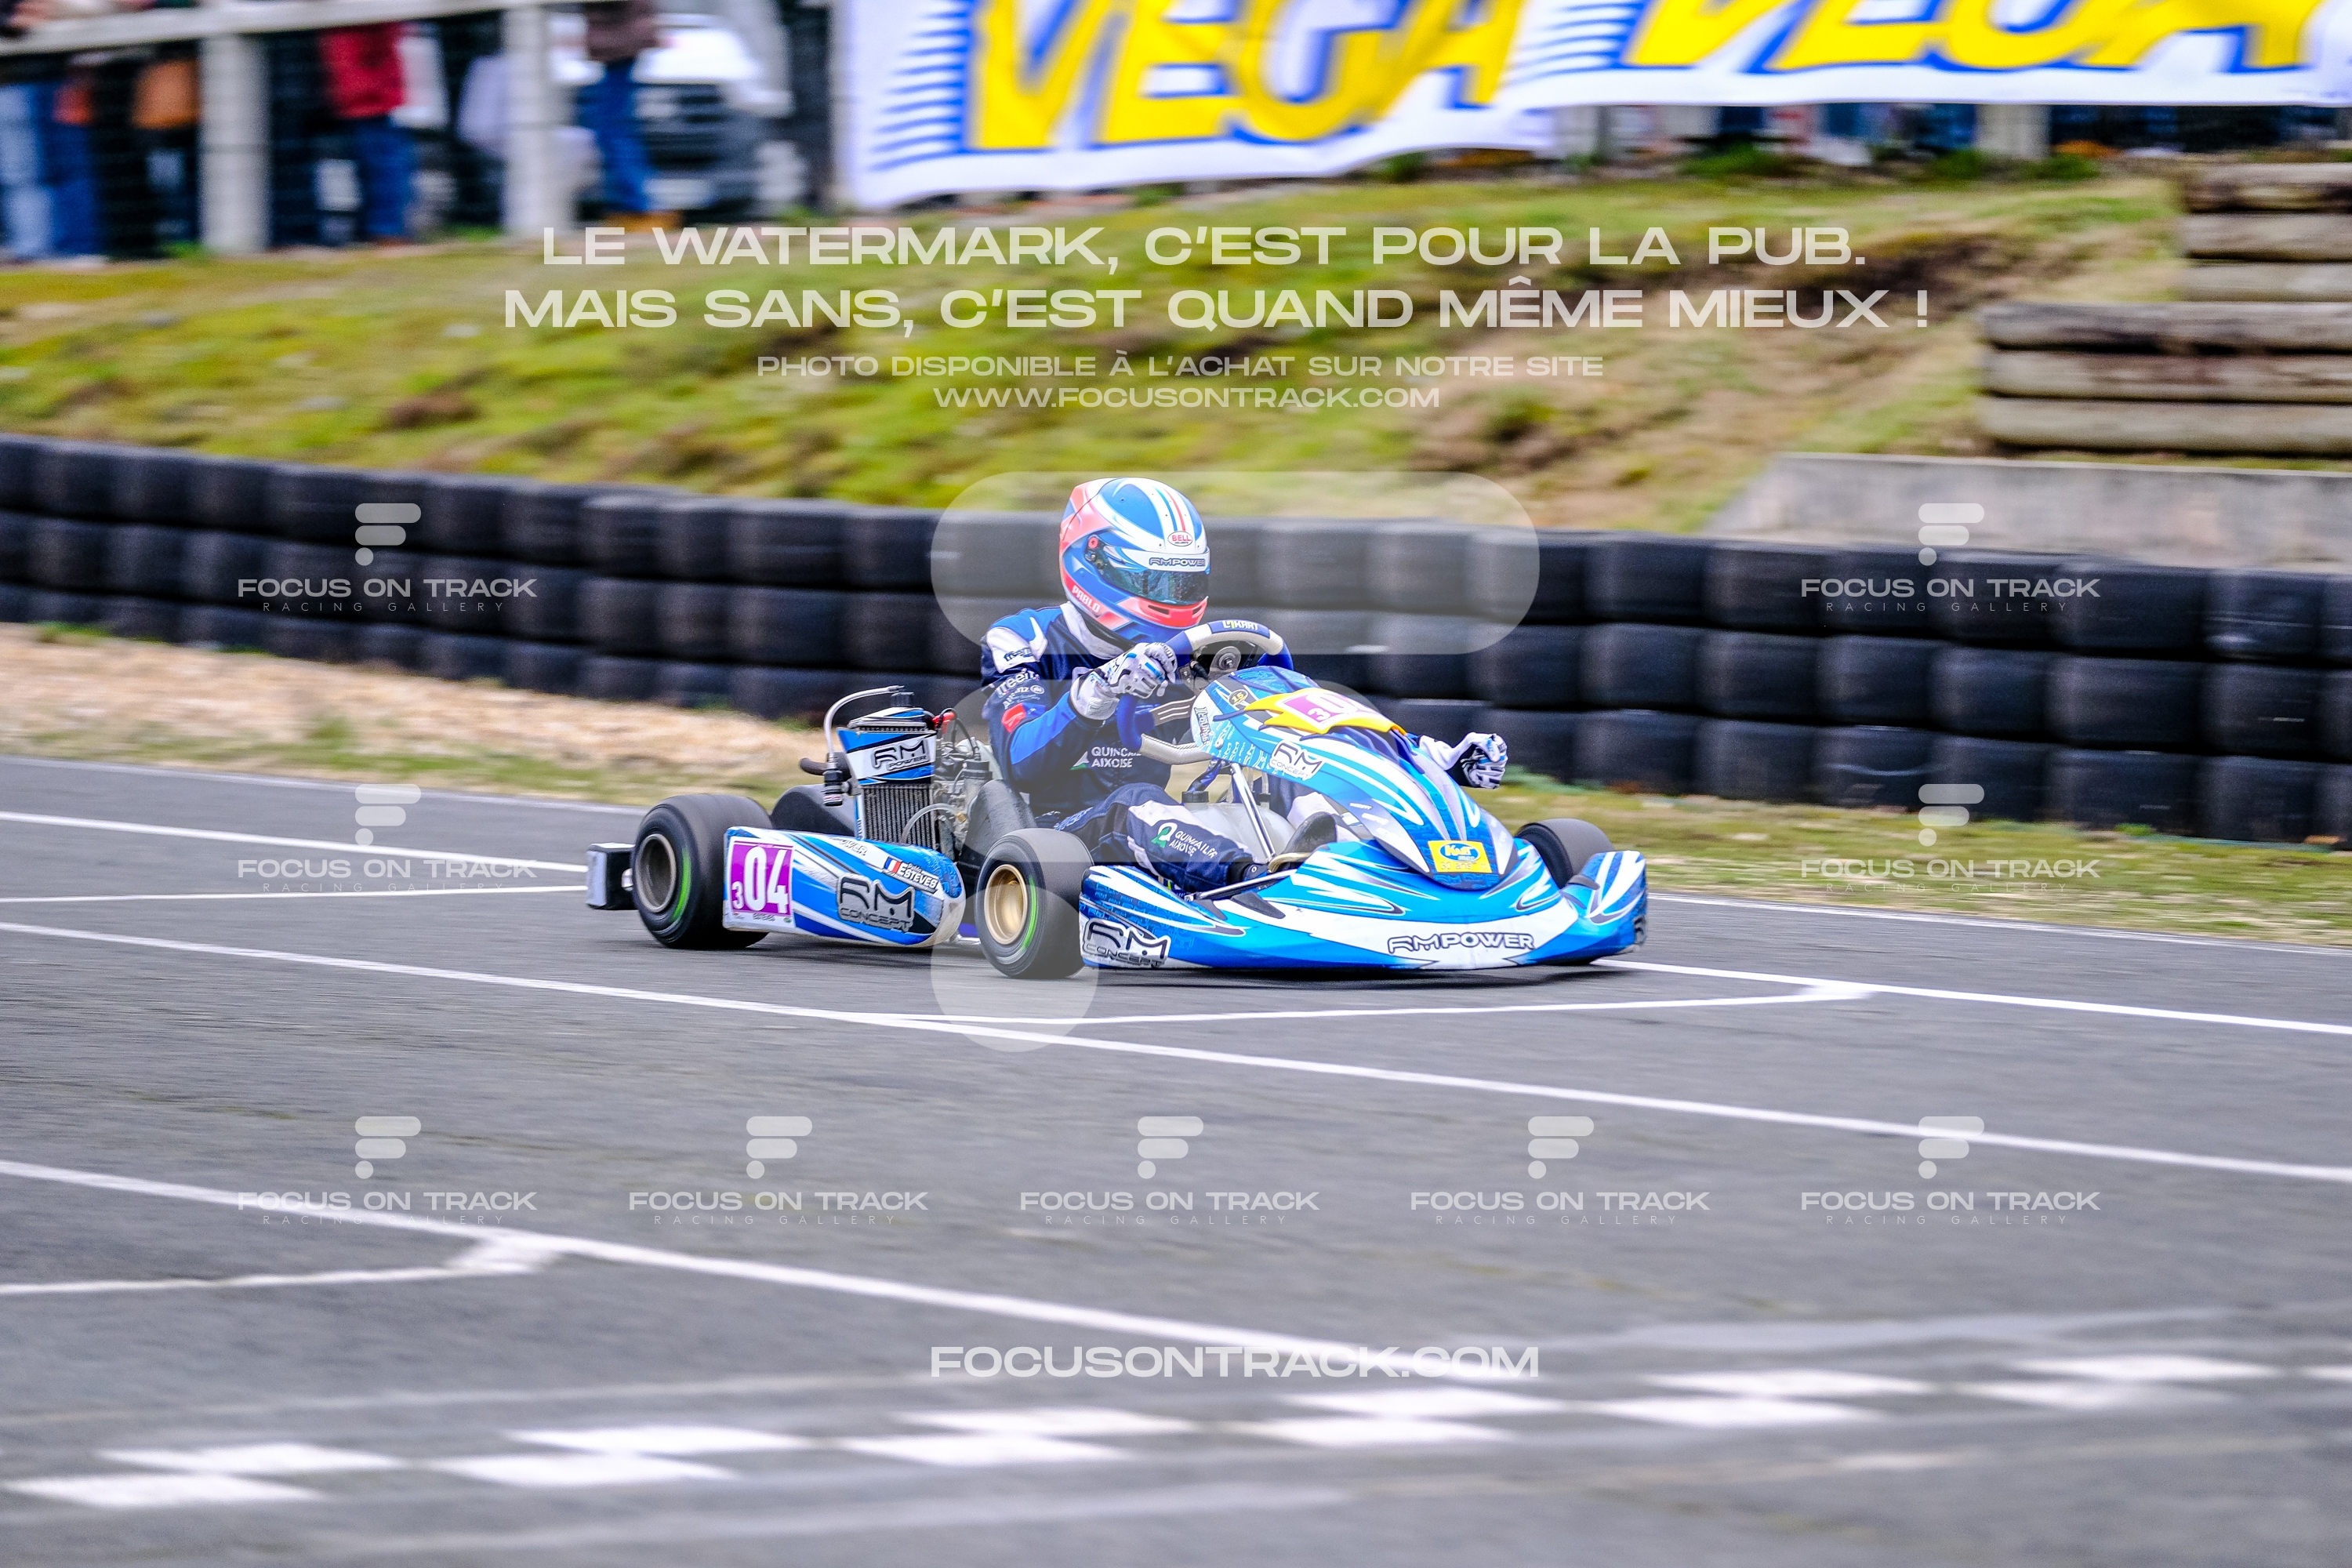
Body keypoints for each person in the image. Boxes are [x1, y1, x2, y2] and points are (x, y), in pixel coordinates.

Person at [980, 477, 1510, 893]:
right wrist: (1100, 689)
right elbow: (1021, 762)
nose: (1174, 598)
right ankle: (1253, 886)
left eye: (1185, 583)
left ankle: (1355, 867)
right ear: (1094, 561)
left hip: (1170, 818)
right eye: (1158, 582)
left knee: (1291, 764)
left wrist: (1423, 759)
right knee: (1135, 803)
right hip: (1061, 831)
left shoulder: (1191, 651)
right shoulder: (1024, 639)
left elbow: (1300, 722)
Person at [581, 0, 672, 230]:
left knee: (612, 130)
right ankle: (633, 205)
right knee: (612, 129)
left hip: (621, 40)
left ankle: (640, 207)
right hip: (621, 38)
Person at [317, 23, 412, 242]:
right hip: (352, 92)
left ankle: (387, 232)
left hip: (370, 94)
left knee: (382, 162)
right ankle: (376, 231)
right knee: (370, 164)